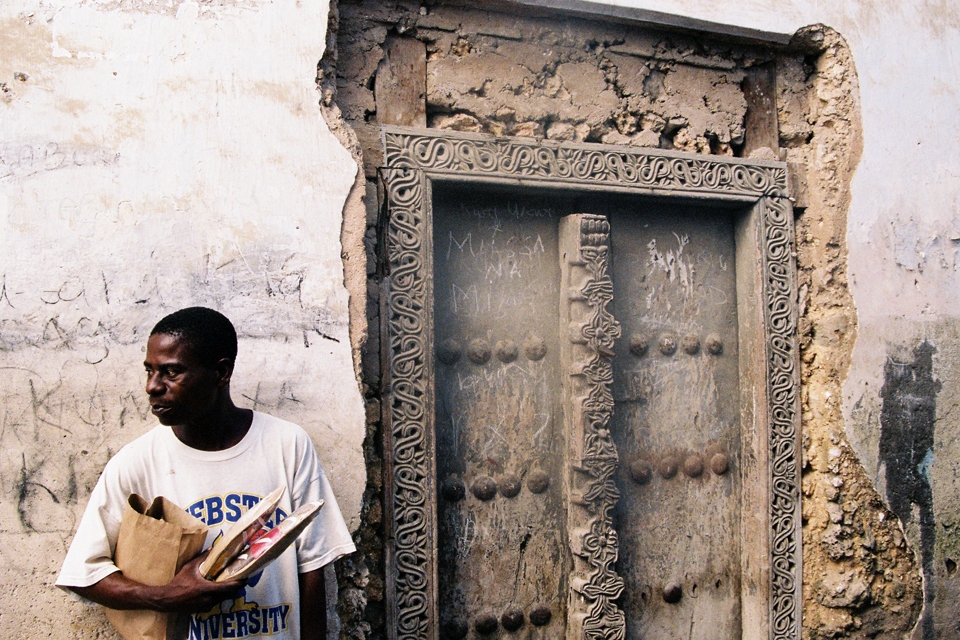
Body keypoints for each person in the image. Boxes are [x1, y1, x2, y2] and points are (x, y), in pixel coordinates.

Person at [56, 307, 356, 640]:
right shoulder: (136, 462)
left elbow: (312, 568)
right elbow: (84, 574)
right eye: (149, 371)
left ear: (221, 372)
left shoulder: (286, 444)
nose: (152, 386)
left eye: (171, 372)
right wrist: (166, 597)